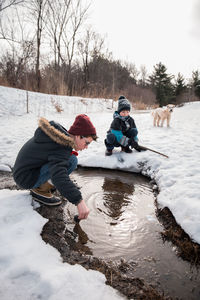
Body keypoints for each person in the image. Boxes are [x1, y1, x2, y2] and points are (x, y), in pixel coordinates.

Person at [13, 114, 97, 220]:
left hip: (25, 171)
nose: (86, 147)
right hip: (25, 178)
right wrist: (79, 201)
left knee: (71, 159)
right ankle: (40, 191)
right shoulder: (61, 145)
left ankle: (42, 186)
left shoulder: (57, 136)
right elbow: (59, 176)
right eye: (86, 143)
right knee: (70, 162)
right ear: (78, 136)